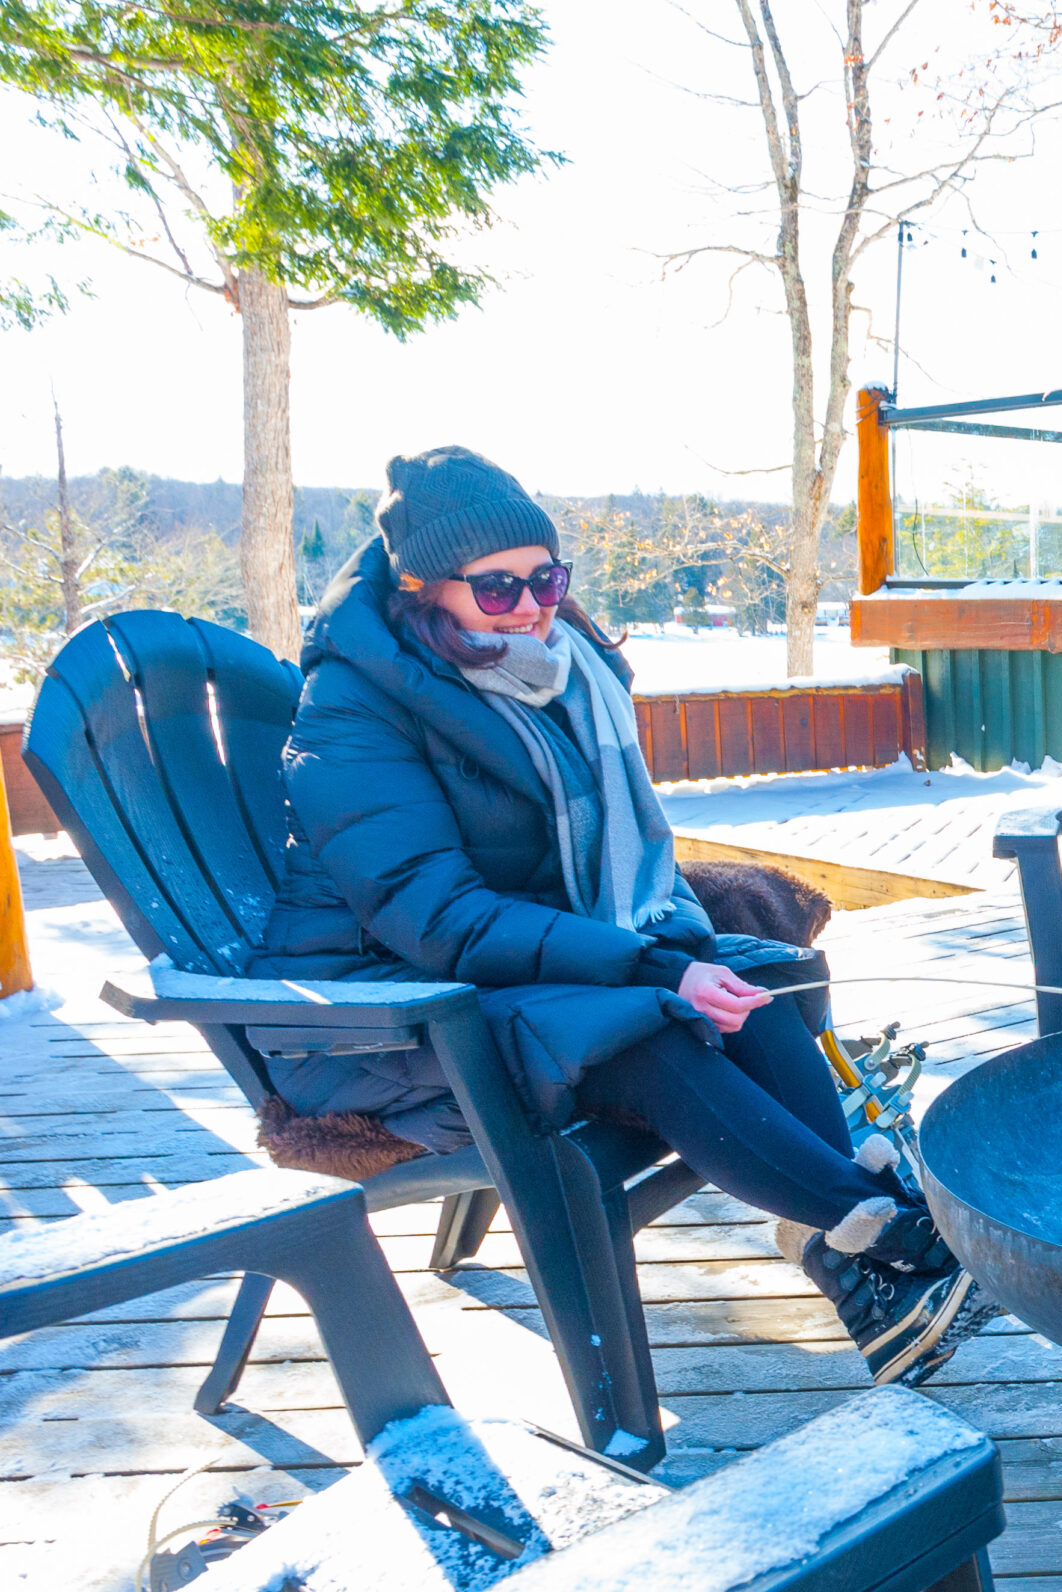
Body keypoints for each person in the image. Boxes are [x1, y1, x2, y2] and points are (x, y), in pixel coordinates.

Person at [252, 447, 952, 1376]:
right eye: (497, 589)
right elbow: (441, 917)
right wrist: (655, 967)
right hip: (377, 1020)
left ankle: (845, 1246)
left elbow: (594, 873)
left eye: (546, 576)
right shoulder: (352, 709)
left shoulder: (555, 669)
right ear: (425, 590)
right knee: (648, 1032)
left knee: (760, 975)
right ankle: (905, 1239)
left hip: (497, 970)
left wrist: (672, 950)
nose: (534, 604)